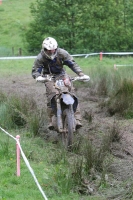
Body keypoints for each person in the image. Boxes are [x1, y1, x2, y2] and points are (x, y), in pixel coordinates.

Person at [32, 37, 89, 130]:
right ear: (45, 49)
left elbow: (72, 63)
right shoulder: (40, 57)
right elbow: (36, 70)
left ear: (56, 47)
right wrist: (38, 77)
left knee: (72, 94)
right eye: (49, 50)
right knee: (52, 95)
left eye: (53, 49)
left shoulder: (62, 53)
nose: (51, 52)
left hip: (62, 75)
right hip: (48, 77)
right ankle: (51, 120)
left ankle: (77, 119)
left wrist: (80, 74)